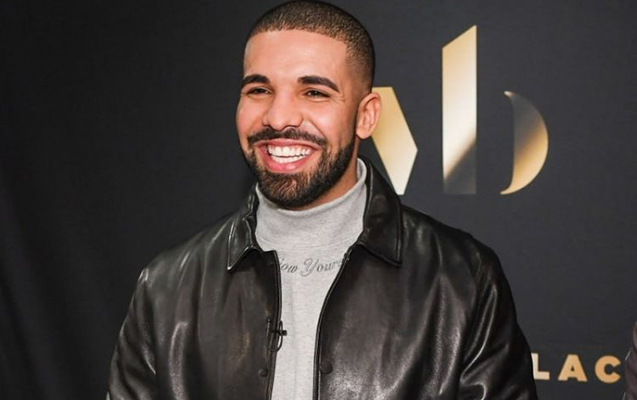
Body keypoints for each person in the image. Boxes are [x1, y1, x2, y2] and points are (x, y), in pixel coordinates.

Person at [107, 1, 538, 399]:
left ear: (366, 115)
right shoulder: (166, 287)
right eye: (259, 90)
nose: (279, 117)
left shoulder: (462, 279)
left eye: (314, 92)